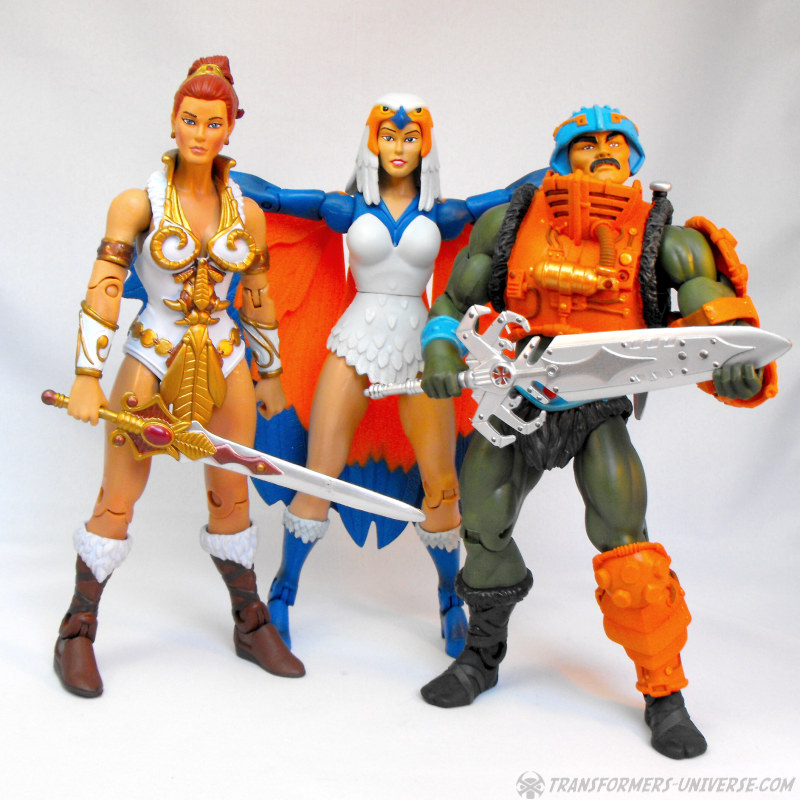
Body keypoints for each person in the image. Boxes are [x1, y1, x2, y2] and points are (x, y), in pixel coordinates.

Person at [417, 105, 778, 758]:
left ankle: (664, 692)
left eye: (617, 142)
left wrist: (735, 364)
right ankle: (481, 654)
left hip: (597, 403)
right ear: (564, 156)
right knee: (483, 524)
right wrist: (441, 350)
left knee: (627, 545)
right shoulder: (509, 224)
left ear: (633, 158)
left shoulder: (663, 234)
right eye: (588, 142)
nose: (604, 150)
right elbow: (451, 302)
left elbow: (714, 312)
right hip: (517, 393)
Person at [235, 94, 540, 656]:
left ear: (426, 146)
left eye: (410, 138)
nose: (399, 148)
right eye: (389, 136)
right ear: (372, 143)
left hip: (424, 348)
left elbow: (507, 200)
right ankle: (284, 590)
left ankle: (449, 598)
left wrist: (557, 174)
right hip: (354, 340)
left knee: (441, 483)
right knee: (318, 475)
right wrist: (218, 178)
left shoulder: (443, 215)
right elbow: (274, 199)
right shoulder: (346, 209)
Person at [54, 56, 305, 698]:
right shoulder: (137, 204)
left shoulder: (246, 212)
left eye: (213, 122)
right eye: (190, 119)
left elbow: (257, 295)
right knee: (118, 496)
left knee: (232, 495)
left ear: (229, 130)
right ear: (173, 120)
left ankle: (250, 623)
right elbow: (106, 288)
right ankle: (77, 631)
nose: (200, 133)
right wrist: (87, 374)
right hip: (152, 357)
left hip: (226, 359)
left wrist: (270, 373)